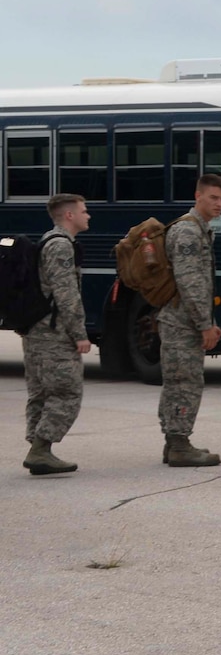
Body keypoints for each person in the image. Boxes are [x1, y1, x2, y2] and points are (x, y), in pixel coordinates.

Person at [159, 173, 221, 468]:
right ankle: (178, 444)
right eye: (213, 197)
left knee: (182, 380)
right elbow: (190, 282)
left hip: (183, 320)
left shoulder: (200, 229)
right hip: (181, 322)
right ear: (197, 196)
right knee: (184, 382)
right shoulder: (188, 232)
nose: (219, 204)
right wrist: (204, 324)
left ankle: (175, 441)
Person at [20, 193, 91, 476]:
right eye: (84, 211)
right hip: (54, 333)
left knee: (40, 392)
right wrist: (79, 333)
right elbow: (67, 294)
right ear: (69, 215)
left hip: (36, 329)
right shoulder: (61, 246)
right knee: (67, 391)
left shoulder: (47, 240)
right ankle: (40, 449)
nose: (89, 216)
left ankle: (38, 449)